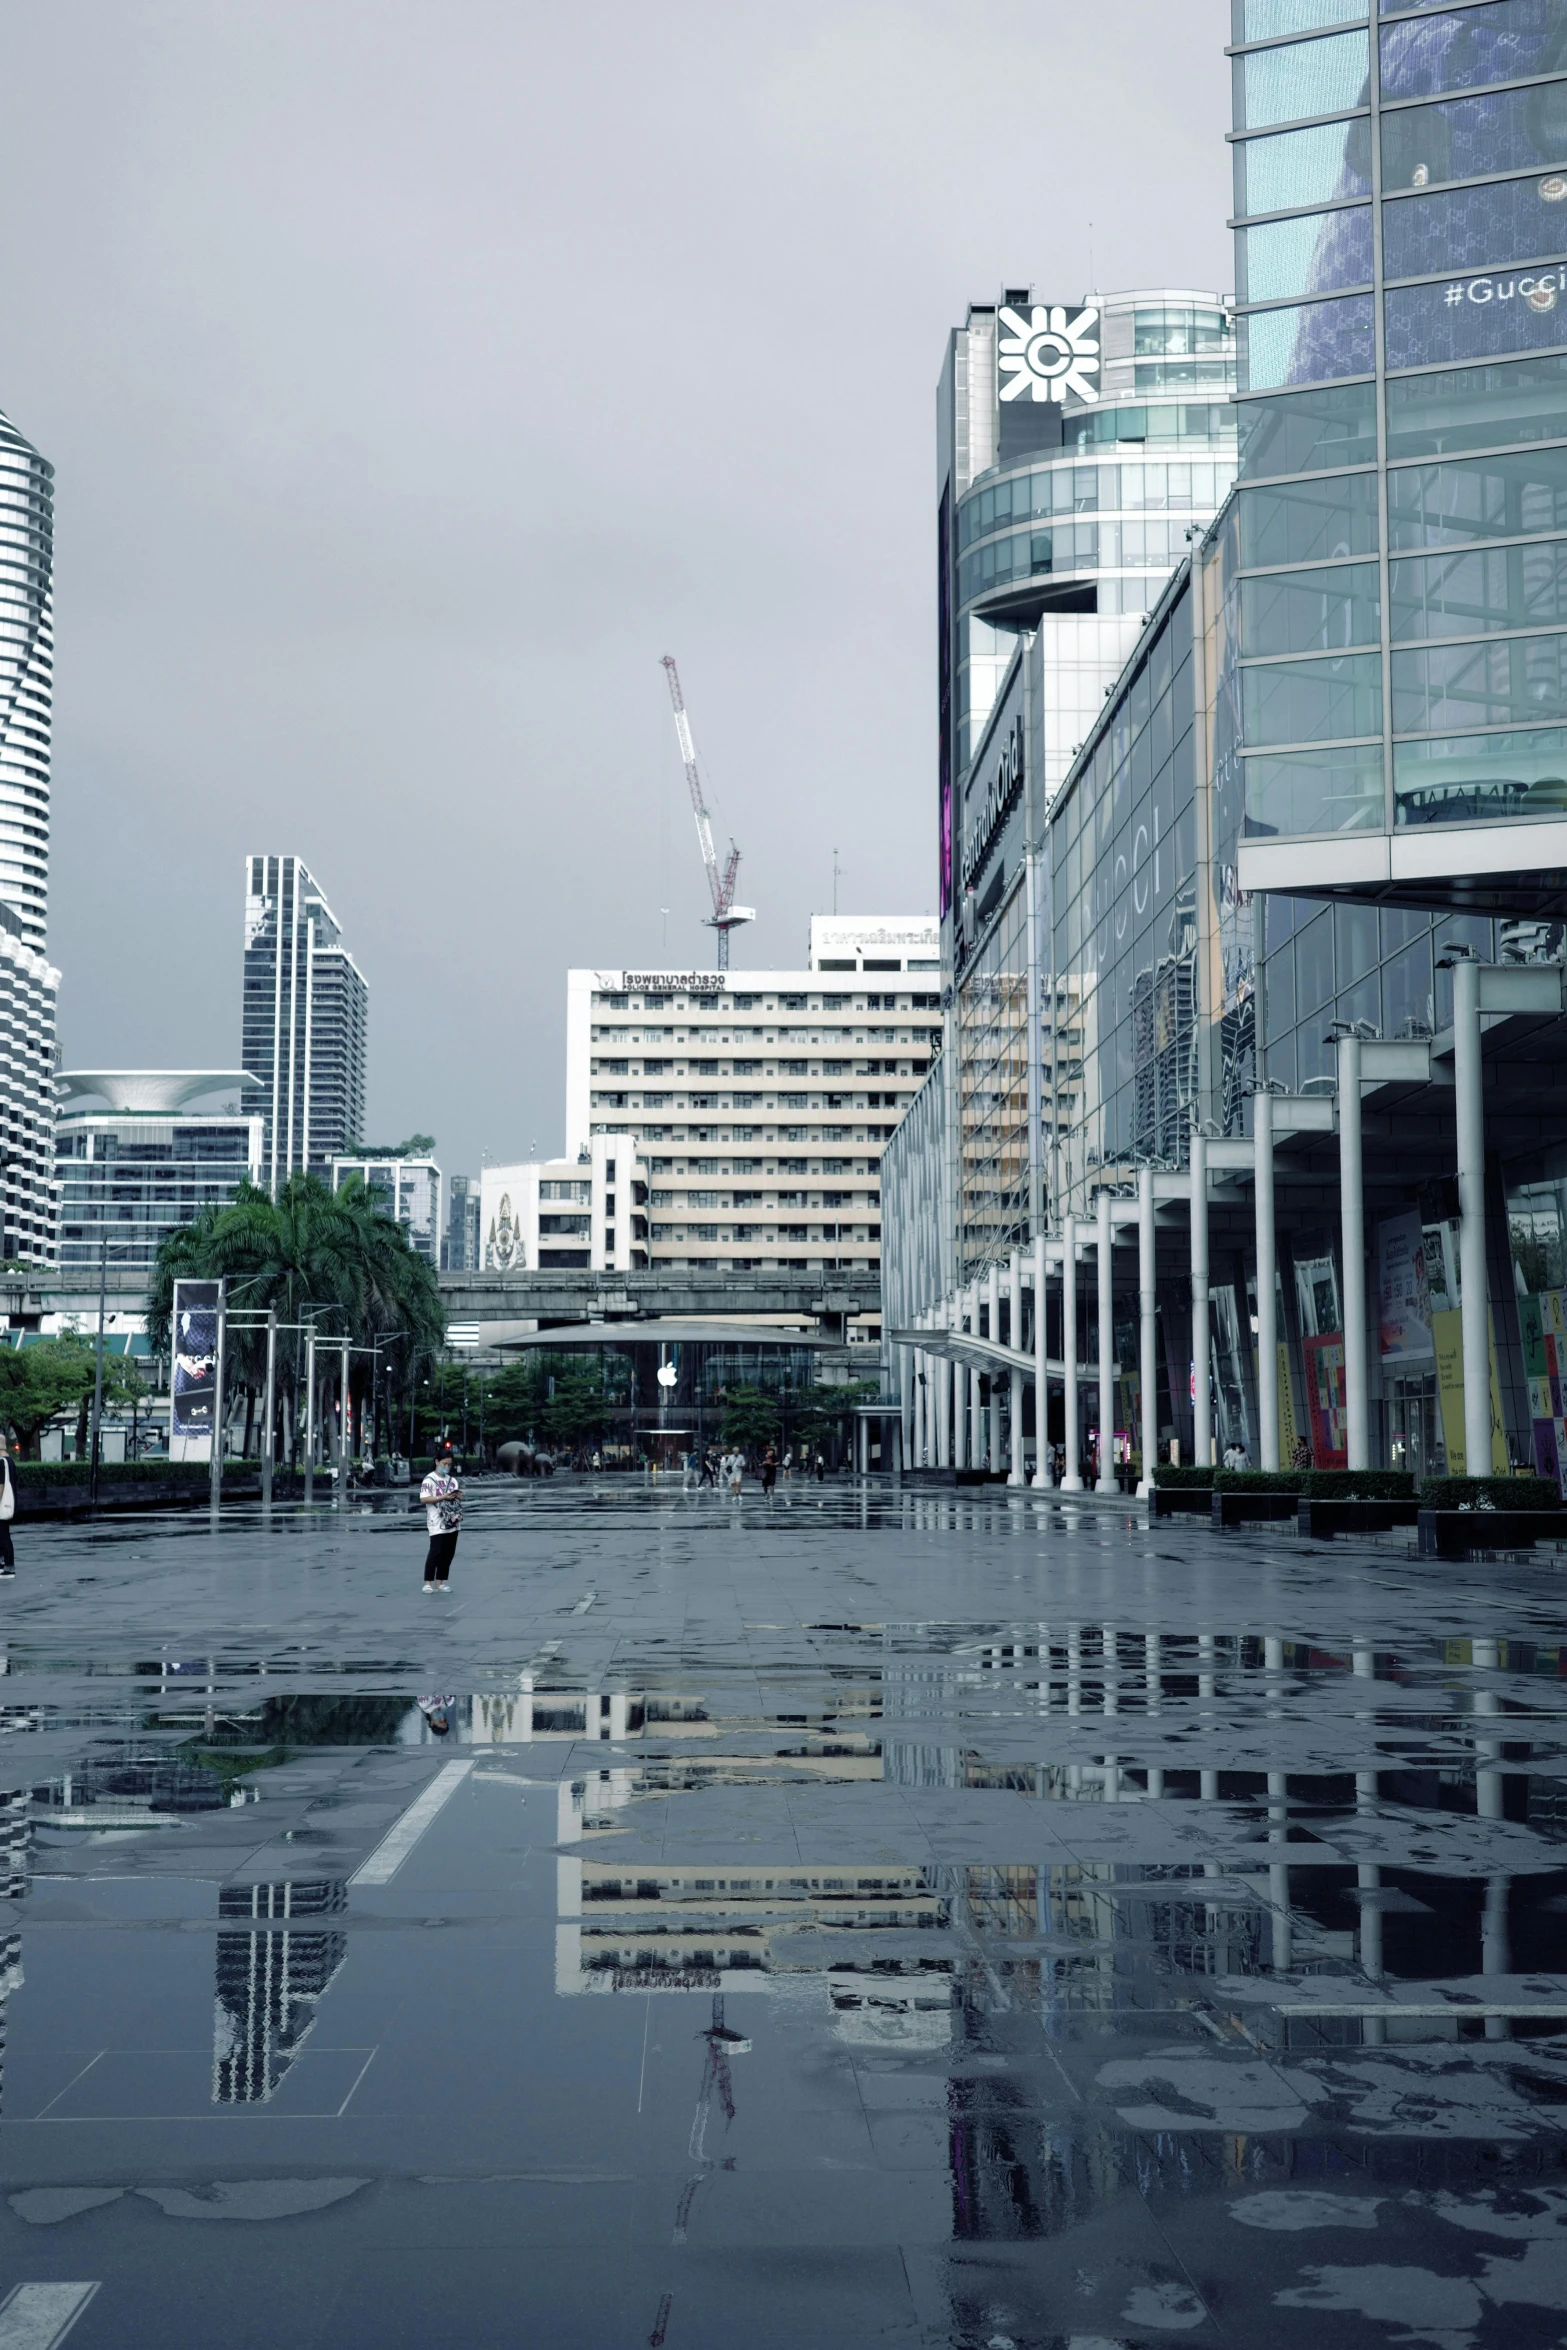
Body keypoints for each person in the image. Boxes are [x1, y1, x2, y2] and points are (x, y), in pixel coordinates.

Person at [420, 1446, 462, 1589]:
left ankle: (440, 1582)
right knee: (436, 1551)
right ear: (437, 1462)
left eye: (449, 1464)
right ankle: (427, 1582)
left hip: (452, 1521)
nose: (447, 1467)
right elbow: (424, 1499)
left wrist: (457, 1496)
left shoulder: (453, 1481)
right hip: (436, 1521)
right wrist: (442, 1497)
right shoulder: (429, 1480)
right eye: (444, 1463)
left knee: (448, 1553)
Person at [0, 1444, 15, 1578]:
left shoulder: (1, 1462)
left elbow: (1, 1485)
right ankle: (4, 1564)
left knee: (3, 1536)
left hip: (1, 1504)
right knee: (4, 1534)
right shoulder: (10, 1461)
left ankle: (9, 1567)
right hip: (9, 1504)